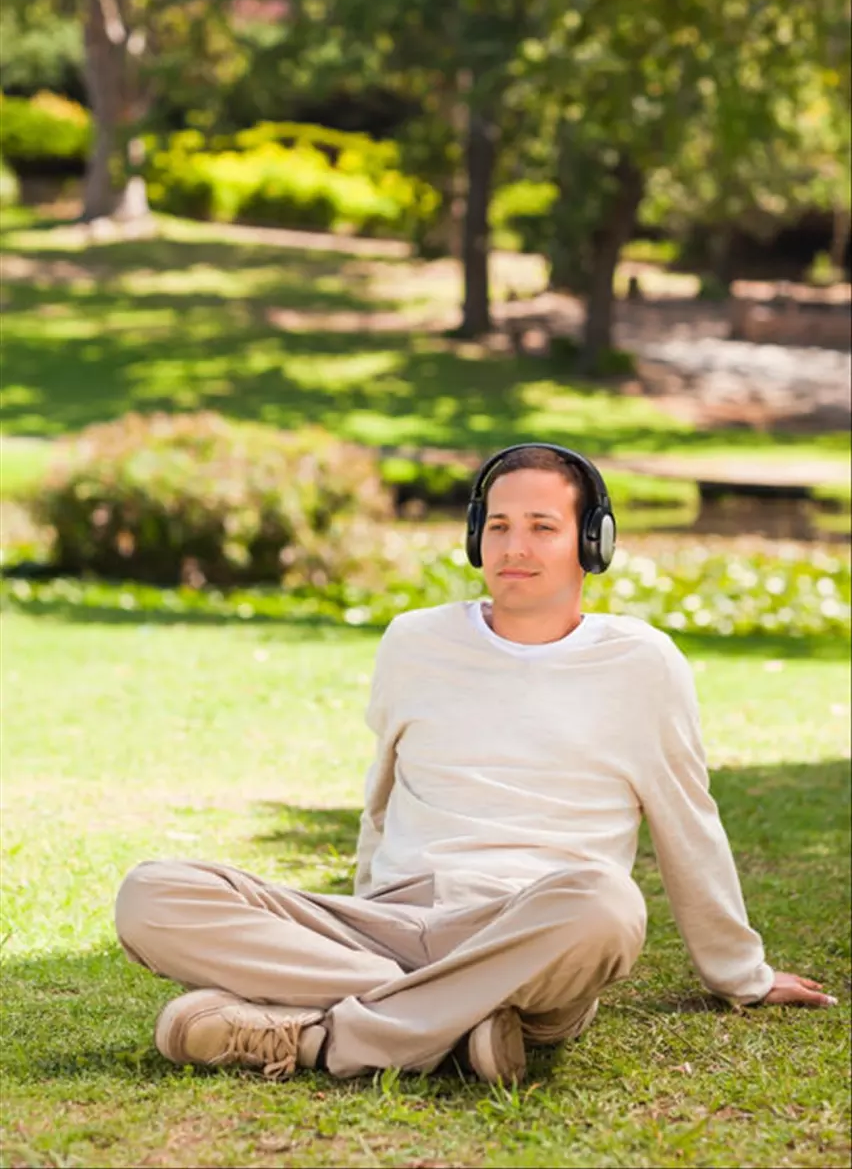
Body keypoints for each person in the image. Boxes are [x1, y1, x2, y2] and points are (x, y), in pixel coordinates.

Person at [114, 443, 836, 1085]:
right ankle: (460, 1027)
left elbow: (689, 820)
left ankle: (321, 1040)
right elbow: (382, 797)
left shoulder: (642, 664)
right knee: (153, 894)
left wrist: (740, 973)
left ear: (592, 542)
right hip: (393, 917)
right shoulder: (414, 641)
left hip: (532, 930)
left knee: (610, 905)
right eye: (498, 526)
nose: (513, 546)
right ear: (474, 537)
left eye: (542, 527)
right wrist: (369, 901)